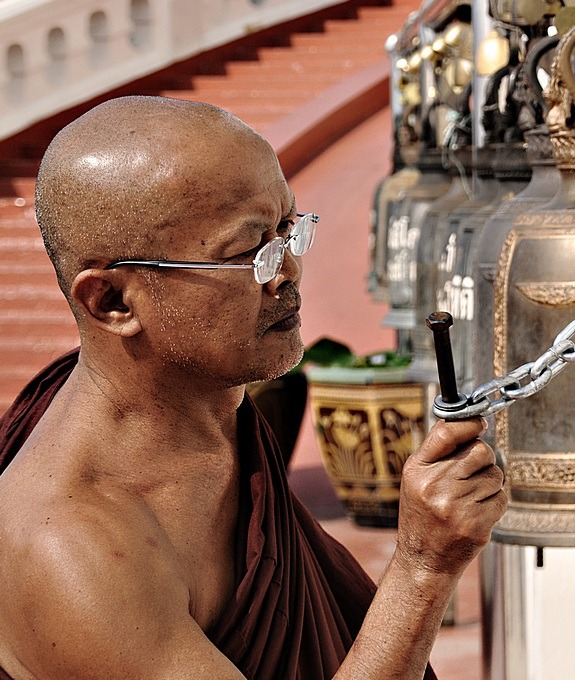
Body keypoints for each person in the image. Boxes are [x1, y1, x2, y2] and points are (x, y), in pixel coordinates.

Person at [0, 96, 507, 679]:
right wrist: (423, 568)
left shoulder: (213, 411)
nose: (288, 271)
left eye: (289, 230)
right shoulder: (70, 552)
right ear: (113, 301)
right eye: (250, 253)